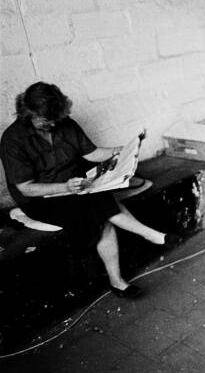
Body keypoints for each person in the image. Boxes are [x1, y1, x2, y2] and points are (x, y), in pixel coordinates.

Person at [0, 82, 181, 299]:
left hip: (74, 186)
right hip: (40, 198)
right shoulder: (13, 140)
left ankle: (121, 277)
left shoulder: (64, 123)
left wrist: (123, 150)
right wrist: (65, 187)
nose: (53, 125)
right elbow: (26, 189)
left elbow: (91, 153)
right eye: (47, 121)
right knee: (98, 211)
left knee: (98, 202)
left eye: (56, 119)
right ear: (28, 113)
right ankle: (147, 240)